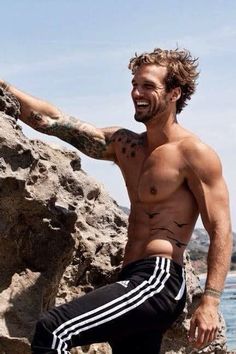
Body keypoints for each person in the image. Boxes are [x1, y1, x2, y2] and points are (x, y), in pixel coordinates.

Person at [0, 48, 232, 354]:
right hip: (131, 277)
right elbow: (54, 121)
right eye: (134, 84)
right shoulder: (126, 145)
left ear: (175, 93)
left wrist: (211, 301)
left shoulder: (193, 153)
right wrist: (4, 89)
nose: (137, 92)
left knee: (53, 329)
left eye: (148, 86)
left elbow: (220, 230)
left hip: (158, 280)